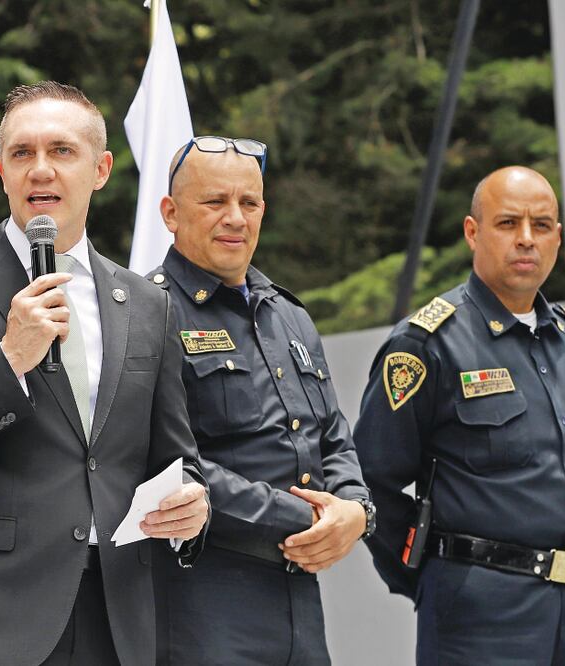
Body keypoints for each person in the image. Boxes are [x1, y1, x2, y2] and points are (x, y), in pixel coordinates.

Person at [0, 81, 209, 666]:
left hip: (117, 620)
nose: (40, 170)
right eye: (22, 154)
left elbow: (175, 457)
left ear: (101, 170)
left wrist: (193, 505)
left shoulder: (149, 304)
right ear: (1, 171)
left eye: (62, 151)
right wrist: (6, 362)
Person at [355, 166, 565, 664]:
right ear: (472, 232)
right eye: (508, 224)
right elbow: (369, 480)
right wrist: (433, 576)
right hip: (481, 619)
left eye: (542, 225)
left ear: (558, 238)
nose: (526, 239)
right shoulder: (427, 344)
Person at [148, 138, 374, 665]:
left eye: (249, 203)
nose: (235, 218)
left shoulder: (288, 315)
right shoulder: (147, 312)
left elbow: (334, 437)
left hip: (299, 598)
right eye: (214, 202)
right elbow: (167, 464)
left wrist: (355, 511)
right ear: (171, 213)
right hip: (205, 600)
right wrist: (302, 516)